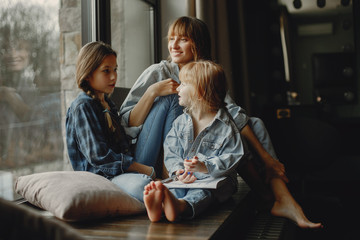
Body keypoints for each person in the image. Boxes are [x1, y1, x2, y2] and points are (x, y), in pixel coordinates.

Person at [120, 16, 322, 228]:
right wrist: (152, 92)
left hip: (192, 157)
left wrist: (267, 159)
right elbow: (126, 123)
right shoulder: (158, 71)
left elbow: (230, 112)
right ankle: (268, 196)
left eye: (183, 39)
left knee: (254, 124)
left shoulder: (204, 75)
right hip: (159, 154)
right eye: (171, 38)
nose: (174, 45)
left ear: (197, 44)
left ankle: (279, 196)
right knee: (176, 101)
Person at [144, 61, 244, 222]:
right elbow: (171, 151)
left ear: (200, 92)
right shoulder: (180, 122)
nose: (178, 88)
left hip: (215, 180)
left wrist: (205, 167)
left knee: (205, 193)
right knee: (176, 187)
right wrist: (178, 171)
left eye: (183, 84)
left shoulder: (225, 126)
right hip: (186, 179)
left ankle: (181, 206)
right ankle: (164, 203)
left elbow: (233, 155)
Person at [65, 41, 155, 202]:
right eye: (106, 71)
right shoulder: (83, 106)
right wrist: (143, 169)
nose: (113, 76)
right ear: (88, 73)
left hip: (125, 169)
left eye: (115, 70)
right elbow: (99, 156)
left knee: (165, 103)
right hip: (105, 178)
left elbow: (121, 144)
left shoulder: (107, 102)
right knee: (144, 186)